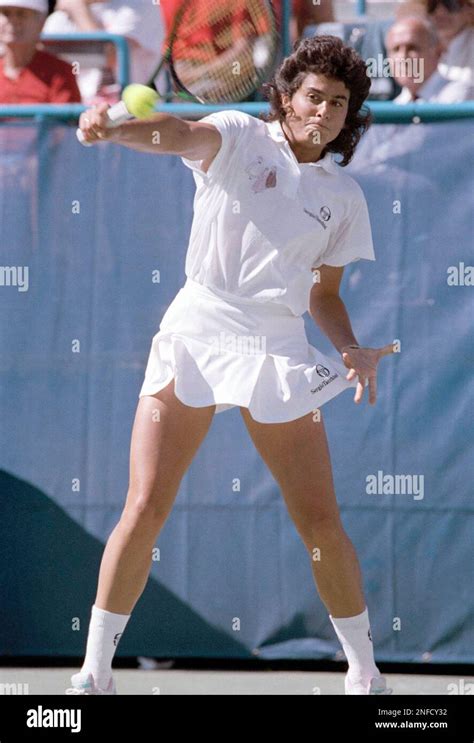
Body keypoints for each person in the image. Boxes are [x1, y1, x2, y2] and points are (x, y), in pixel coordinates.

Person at [68, 35, 395, 696]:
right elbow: (176, 135)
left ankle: (364, 671)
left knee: (320, 519)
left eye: (338, 102)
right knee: (146, 502)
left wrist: (348, 347)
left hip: (276, 344)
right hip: (198, 326)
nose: (324, 111)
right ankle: (95, 670)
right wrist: (119, 129)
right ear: (287, 95)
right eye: (313, 96)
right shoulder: (239, 134)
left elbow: (323, 294)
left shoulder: (345, 195)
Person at [44, 0, 165, 104]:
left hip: (133, 115)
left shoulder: (142, 5)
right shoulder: (58, 19)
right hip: (77, 117)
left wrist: (78, 10)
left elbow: (107, 55)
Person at [0, 0, 81, 103]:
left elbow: (67, 118)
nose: (13, 20)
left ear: (41, 22)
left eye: (21, 14)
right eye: (6, 13)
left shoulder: (60, 72)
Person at [386, 15, 474, 101]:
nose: (403, 57)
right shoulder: (398, 104)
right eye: (395, 49)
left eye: (412, 48)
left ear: (438, 52)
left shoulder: (460, 95)